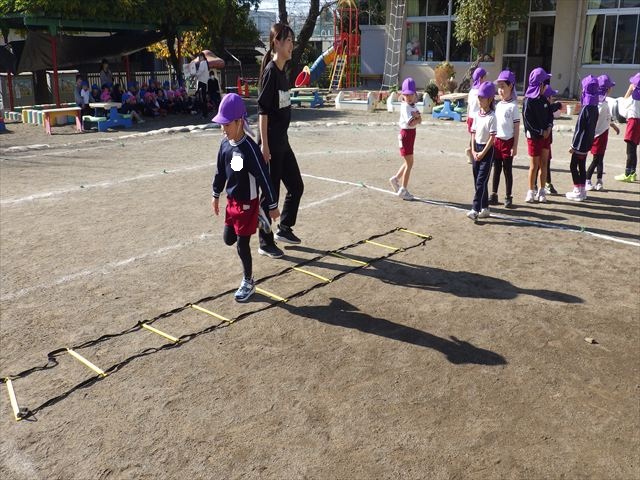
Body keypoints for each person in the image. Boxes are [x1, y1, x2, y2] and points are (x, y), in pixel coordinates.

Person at [211, 94, 280, 302]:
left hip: (248, 203)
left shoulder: (250, 149)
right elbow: (221, 172)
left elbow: (264, 177)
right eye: (221, 124)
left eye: (227, 124)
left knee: (242, 245)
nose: (223, 128)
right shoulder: (225, 145)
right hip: (232, 202)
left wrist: (272, 205)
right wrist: (216, 194)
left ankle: (249, 282)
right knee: (228, 240)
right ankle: (258, 219)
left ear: (239, 122)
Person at [256, 22, 304, 259]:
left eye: (293, 41)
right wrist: (264, 145)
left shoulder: (283, 72)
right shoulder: (270, 72)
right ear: (276, 43)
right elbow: (262, 111)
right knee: (270, 193)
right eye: (288, 41)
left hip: (282, 141)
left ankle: (284, 228)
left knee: (296, 186)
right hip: (271, 144)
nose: (291, 45)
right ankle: (264, 242)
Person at [565, 75, 599, 202]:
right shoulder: (595, 107)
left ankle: (577, 190)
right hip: (587, 143)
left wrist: (573, 146)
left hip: (580, 144)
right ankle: (583, 190)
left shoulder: (586, 108)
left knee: (573, 166)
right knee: (582, 166)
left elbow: (579, 128)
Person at [489, 70, 520, 208]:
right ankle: (494, 194)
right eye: (499, 87)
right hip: (497, 142)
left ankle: (508, 196)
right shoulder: (498, 105)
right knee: (496, 169)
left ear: (511, 86)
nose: (500, 90)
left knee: (508, 170)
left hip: (508, 142)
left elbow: (517, 128)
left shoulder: (513, 106)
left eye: (503, 87)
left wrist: (515, 146)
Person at [467, 81, 497, 221]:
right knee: (477, 181)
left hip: (487, 151)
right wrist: (473, 151)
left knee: (481, 181)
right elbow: (473, 134)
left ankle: (475, 209)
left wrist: (482, 153)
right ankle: (485, 207)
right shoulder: (477, 115)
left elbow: (492, 138)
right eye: (478, 97)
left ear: (490, 99)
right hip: (477, 149)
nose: (479, 100)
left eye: (482, 97)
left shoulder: (492, 117)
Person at [522, 67, 553, 204]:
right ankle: (531, 191)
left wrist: (549, 128)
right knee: (534, 165)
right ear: (539, 84)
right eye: (545, 83)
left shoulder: (544, 100)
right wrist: (541, 132)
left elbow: (550, 116)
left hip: (545, 138)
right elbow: (528, 122)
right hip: (534, 138)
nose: (546, 86)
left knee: (544, 164)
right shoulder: (528, 101)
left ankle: (542, 191)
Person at [389, 77, 422, 200]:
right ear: (402, 95)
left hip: (410, 135)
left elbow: (420, 120)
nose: (409, 97)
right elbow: (412, 123)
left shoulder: (413, 106)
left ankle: (395, 179)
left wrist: (417, 118)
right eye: (406, 95)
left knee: (408, 161)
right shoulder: (406, 107)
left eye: (411, 94)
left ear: (415, 94)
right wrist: (416, 118)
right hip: (406, 135)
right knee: (409, 163)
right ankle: (403, 189)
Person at [586, 75, 620, 192]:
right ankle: (587, 179)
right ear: (606, 89)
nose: (611, 89)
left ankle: (599, 181)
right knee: (596, 159)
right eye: (610, 87)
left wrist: (614, 126)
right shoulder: (598, 104)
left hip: (604, 133)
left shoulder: (604, 102)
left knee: (600, 158)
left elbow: (608, 117)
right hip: (597, 135)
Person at [614, 73, 640, 183]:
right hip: (638, 122)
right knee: (634, 149)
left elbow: (623, 105)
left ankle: (627, 173)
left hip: (633, 122)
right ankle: (633, 173)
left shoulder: (633, 99)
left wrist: (629, 90)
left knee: (630, 150)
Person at [466, 67, 486, 164]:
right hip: (478, 118)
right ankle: (473, 152)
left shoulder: (472, 91)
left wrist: (467, 117)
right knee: (478, 137)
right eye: (485, 77)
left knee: (473, 136)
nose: (486, 79)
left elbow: (469, 106)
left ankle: (471, 151)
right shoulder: (481, 91)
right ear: (481, 78)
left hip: (471, 117)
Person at [195, 52, 210, 119]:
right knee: (203, 98)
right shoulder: (206, 63)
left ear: (202, 57)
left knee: (202, 98)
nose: (199, 58)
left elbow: (200, 72)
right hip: (204, 82)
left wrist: (195, 74)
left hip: (201, 82)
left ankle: (204, 113)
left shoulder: (203, 63)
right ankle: (205, 113)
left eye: (200, 57)